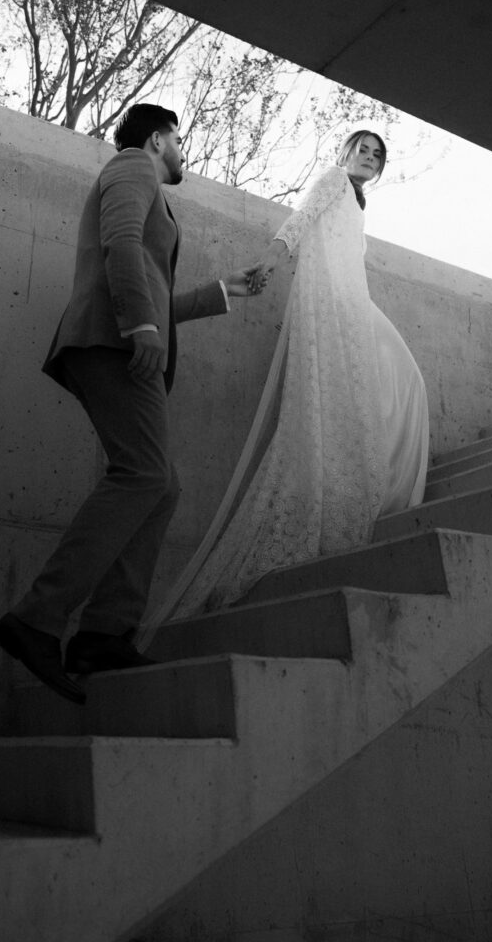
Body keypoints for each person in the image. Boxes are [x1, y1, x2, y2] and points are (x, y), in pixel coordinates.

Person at [0, 103, 260, 702]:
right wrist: (139, 325)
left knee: (159, 485)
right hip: (113, 339)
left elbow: (150, 280)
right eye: (180, 142)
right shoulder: (133, 165)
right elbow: (119, 245)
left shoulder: (143, 181)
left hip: (122, 337)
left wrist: (223, 291)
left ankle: (104, 634)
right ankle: (37, 619)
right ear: (160, 138)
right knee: (143, 475)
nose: (181, 154)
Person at [141, 130, 429, 631]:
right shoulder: (334, 180)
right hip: (332, 304)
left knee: (403, 382)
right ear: (345, 153)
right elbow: (299, 224)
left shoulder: (359, 202)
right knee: (396, 378)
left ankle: (376, 484)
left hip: (353, 302)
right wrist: (269, 263)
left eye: (378, 154)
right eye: (362, 148)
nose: (369, 157)